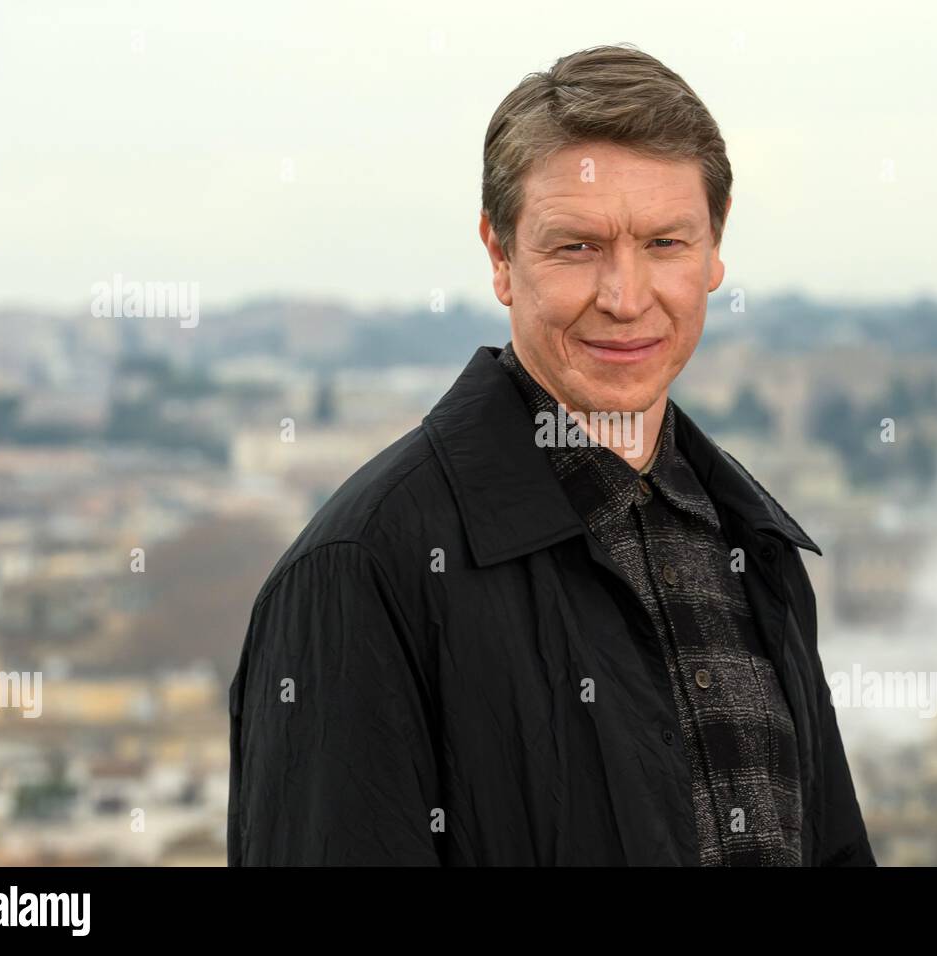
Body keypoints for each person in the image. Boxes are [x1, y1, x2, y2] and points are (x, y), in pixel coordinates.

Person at [228, 43, 874, 866]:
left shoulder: (752, 548)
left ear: (716, 250)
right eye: (577, 248)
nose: (626, 296)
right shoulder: (360, 571)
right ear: (500, 256)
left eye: (666, 243)